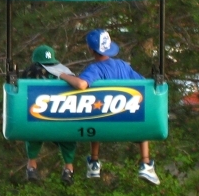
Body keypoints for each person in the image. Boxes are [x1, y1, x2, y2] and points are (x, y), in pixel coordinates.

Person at [60, 29, 161, 186]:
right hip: (129, 123)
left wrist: (63, 75)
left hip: (104, 126)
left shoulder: (94, 69)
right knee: (139, 113)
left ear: (91, 49)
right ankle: (146, 164)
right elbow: (143, 84)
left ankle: (94, 161)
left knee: (96, 110)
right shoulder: (123, 66)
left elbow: (81, 85)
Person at [21, 45, 80, 184]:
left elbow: (19, 89)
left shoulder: (30, 71)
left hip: (38, 117)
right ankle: (68, 169)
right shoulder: (63, 72)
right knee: (68, 138)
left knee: (33, 135)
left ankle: (31, 166)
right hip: (61, 117)